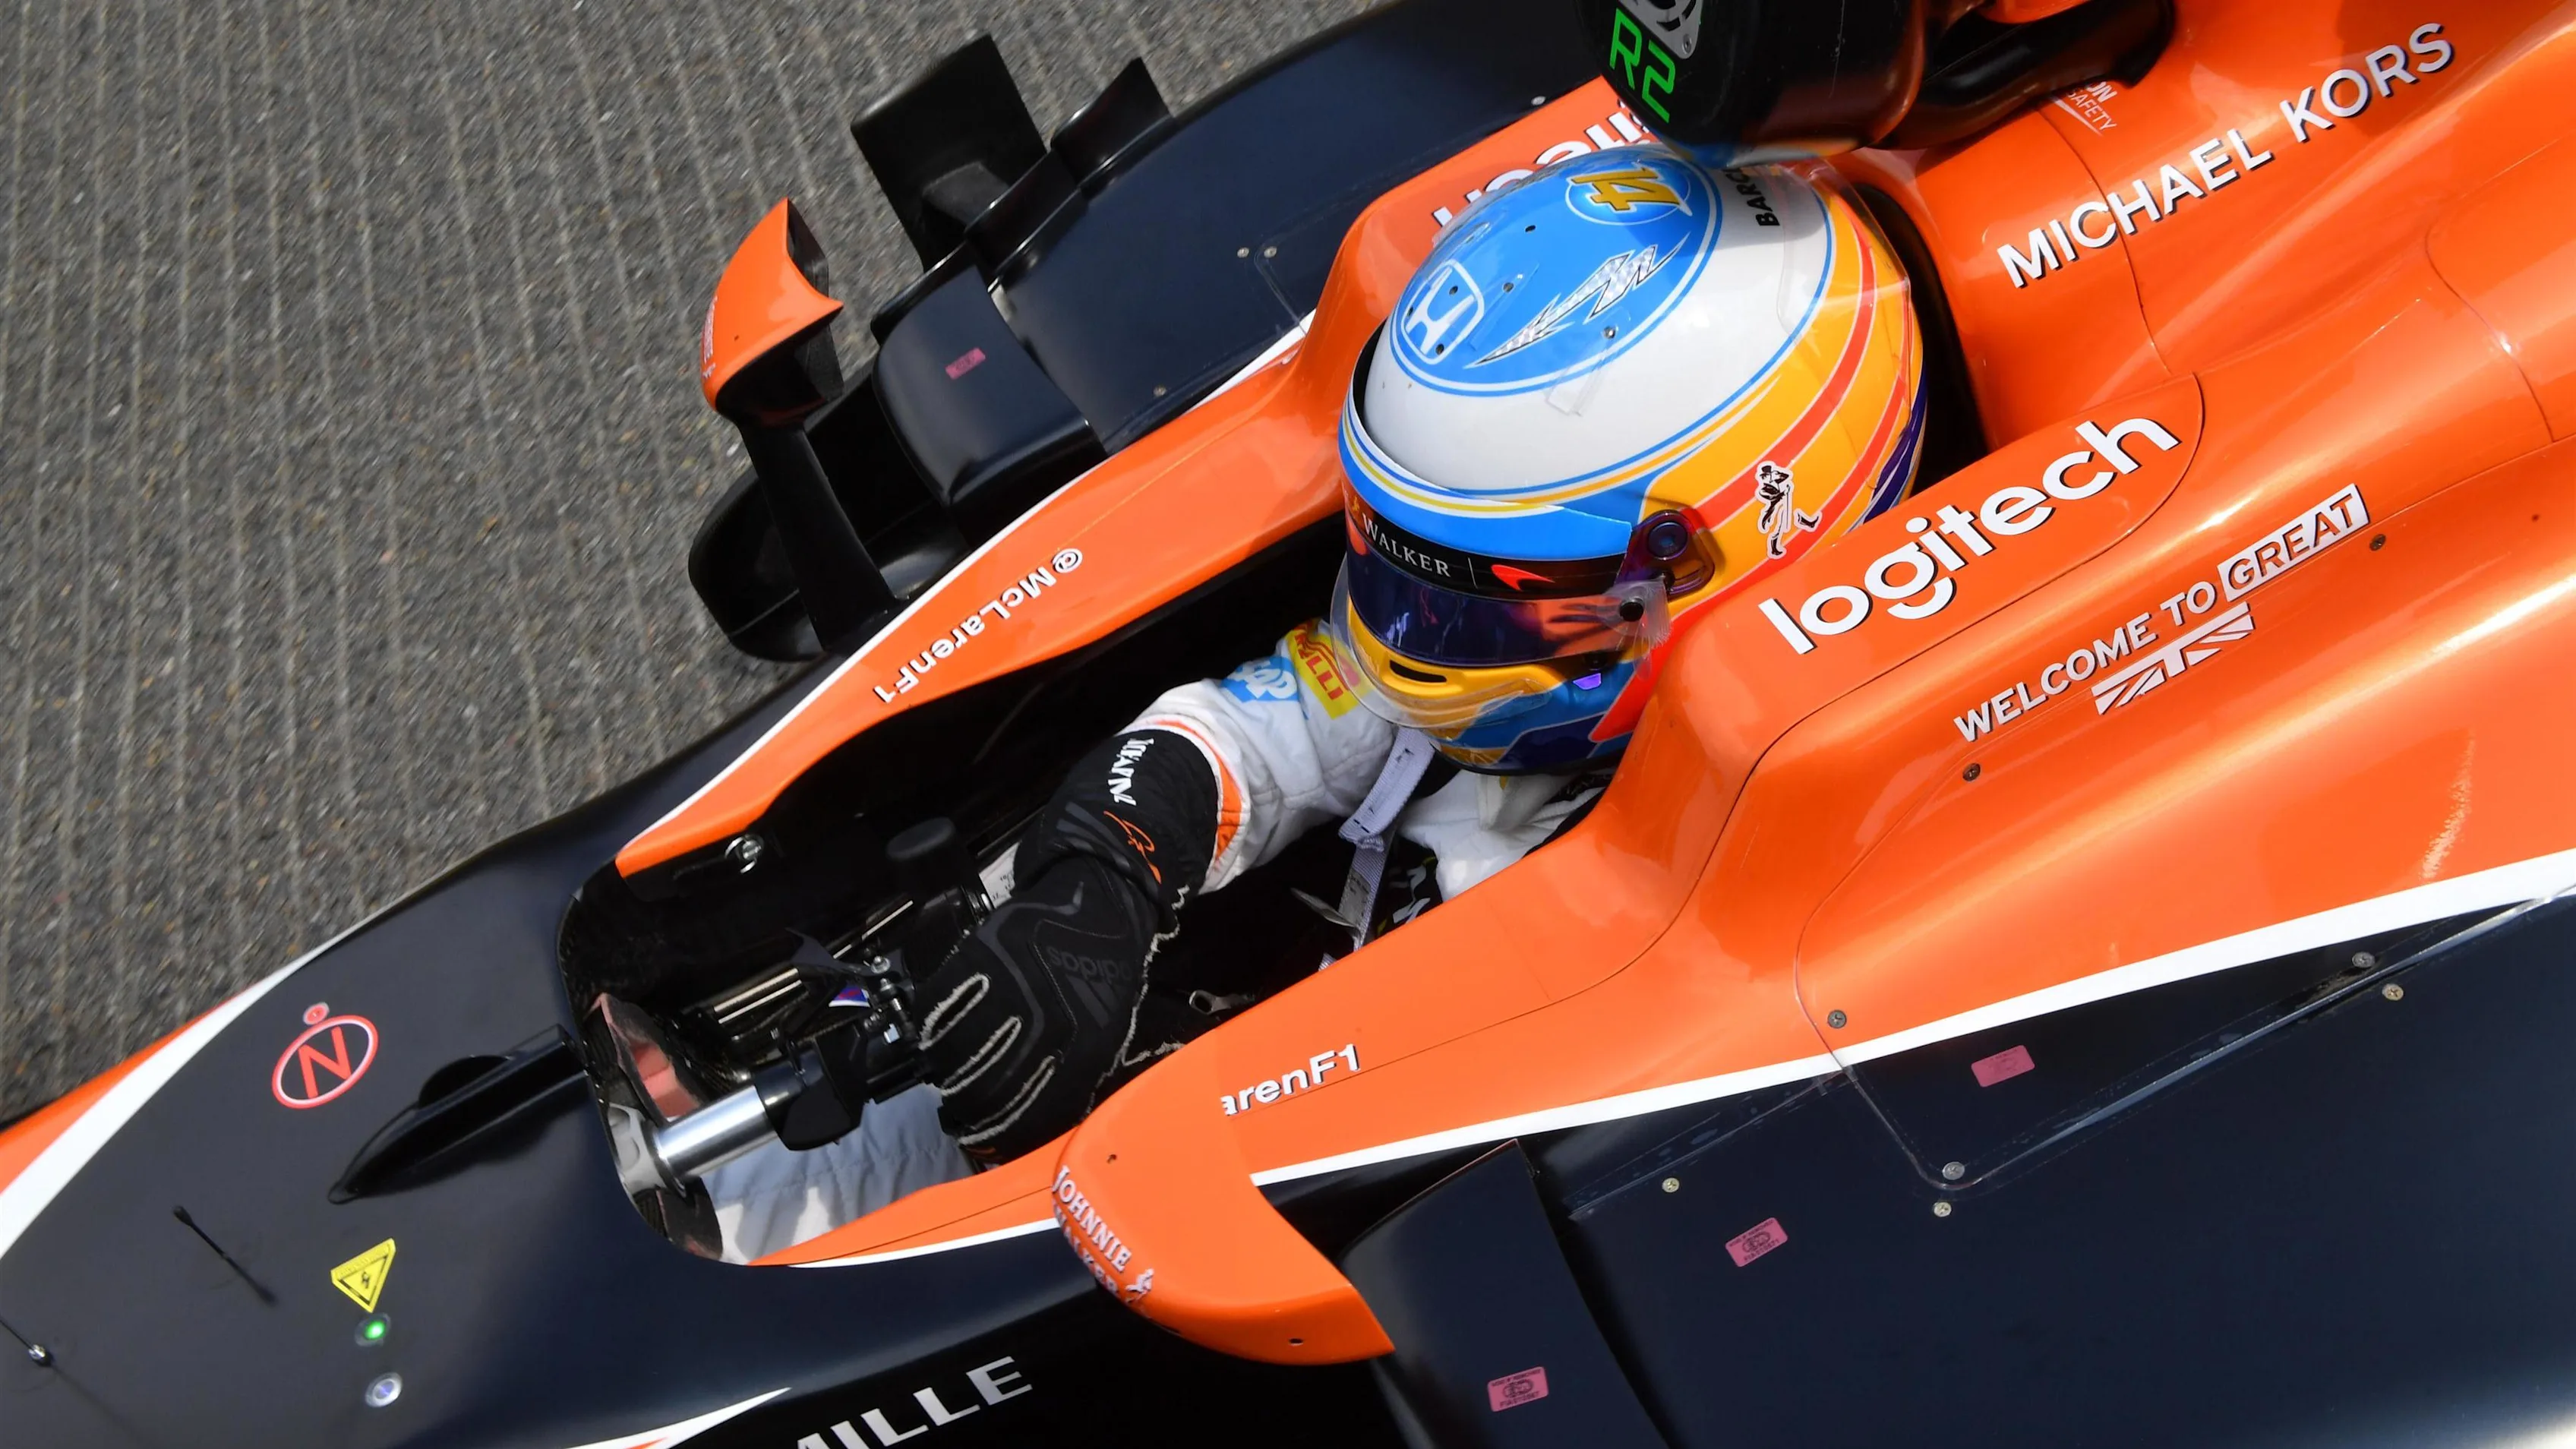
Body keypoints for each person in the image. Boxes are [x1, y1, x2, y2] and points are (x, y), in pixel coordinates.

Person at [917, 143, 1927, 1163]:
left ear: (1705, 562)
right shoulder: (1481, 636)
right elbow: (1254, 734)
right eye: (1405, 569)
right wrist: (1096, 881)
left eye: (1480, 598)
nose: (1410, 634)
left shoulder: (1777, 885)